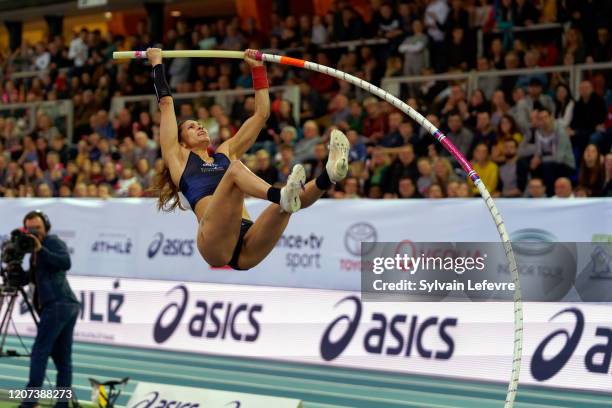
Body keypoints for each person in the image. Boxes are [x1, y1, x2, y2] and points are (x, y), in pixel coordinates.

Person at [147, 48, 349, 270]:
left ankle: (329, 175)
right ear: (182, 142)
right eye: (191, 127)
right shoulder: (178, 158)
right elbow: (166, 104)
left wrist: (257, 69)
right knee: (236, 171)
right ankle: (279, 194)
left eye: (200, 124)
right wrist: (156, 62)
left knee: (286, 207)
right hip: (214, 244)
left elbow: (261, 114)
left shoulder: (224, 152)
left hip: (247, 242)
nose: (200, 127)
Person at [21, 210, 79, 408]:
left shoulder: (52, 242)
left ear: (46, 227)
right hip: (64, 304)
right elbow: (32, 277)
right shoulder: (34, 253)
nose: (34, 232)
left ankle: (30, 403)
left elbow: (65, 262)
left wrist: (40, 249)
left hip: (58, 304)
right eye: (29, 229)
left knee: (40, 352)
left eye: (37, 228)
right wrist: (13, 271)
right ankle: (62, 405)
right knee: (62, 359)